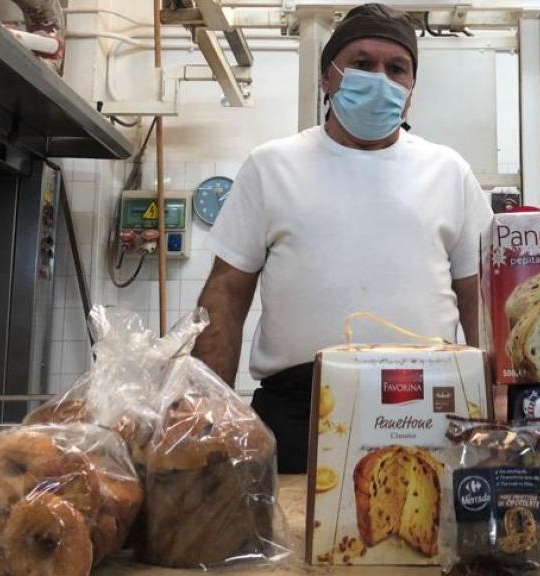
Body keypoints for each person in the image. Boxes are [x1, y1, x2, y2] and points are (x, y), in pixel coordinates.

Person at [193, 3, 493, 473]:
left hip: (428, 407)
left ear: (411, 90)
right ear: (327, 77)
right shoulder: (272, 166)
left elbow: (481, 299)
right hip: (300, 412)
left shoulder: (449, 172)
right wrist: (208, 414)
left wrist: (496, 406)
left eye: (396, 68)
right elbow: (225, 294)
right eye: (361, 63)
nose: (380, 78)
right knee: (295, 542)